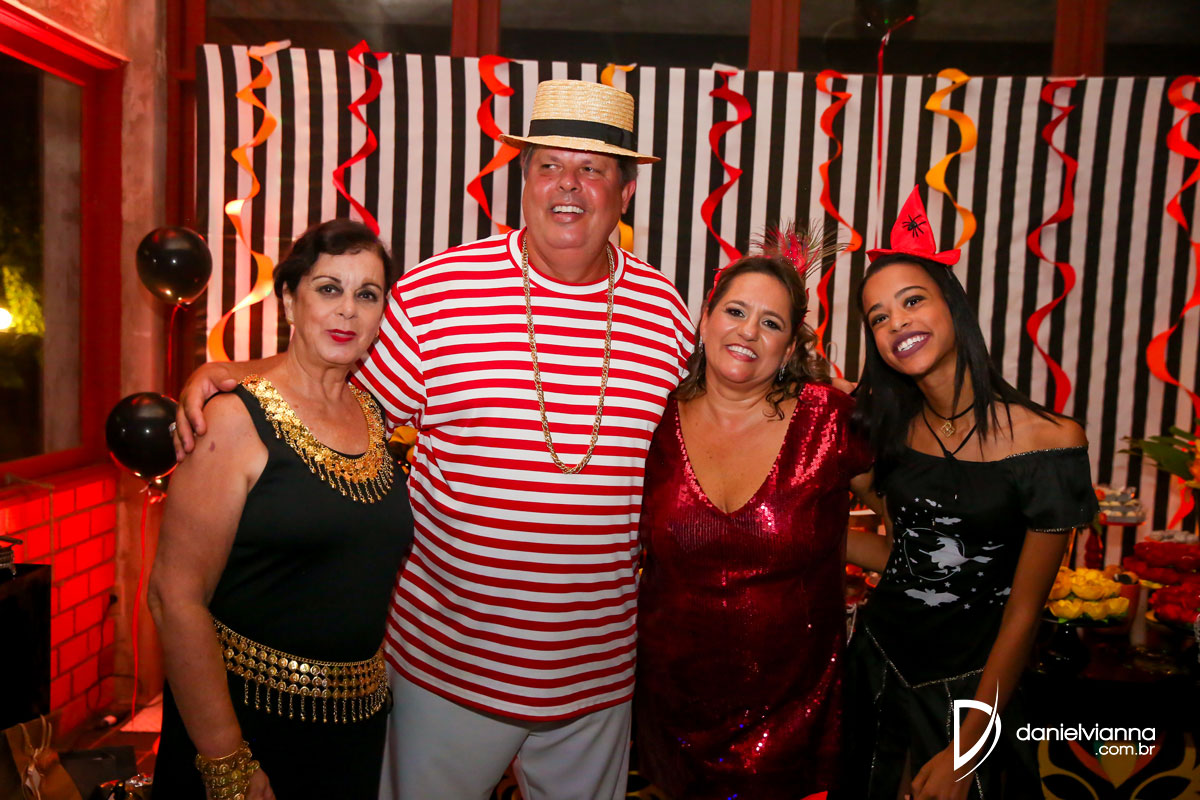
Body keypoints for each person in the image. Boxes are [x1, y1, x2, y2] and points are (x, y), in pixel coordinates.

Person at [171, 80, 692, 800]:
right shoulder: (438, 292)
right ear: (523, 181)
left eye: (593, 169)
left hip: (594, 677)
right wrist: (234, 373)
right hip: (447, 667)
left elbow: (702, 444)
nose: (568, 185)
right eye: (548, 164)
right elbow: (330, 390)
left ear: (625, 193)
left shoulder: (665, 312)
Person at [838, 188, 1099, 800]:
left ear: (952, 306)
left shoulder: (1050, 443)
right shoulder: (890, 432)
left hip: (973, 695)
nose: (897, 322)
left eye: (912, 301)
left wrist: (969, 749)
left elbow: (1024, 614)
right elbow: (909, 556)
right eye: (878, 317)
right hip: (874, 667)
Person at [148, 219, 411, 800]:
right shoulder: (231, 421)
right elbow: (174, 597)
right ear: (290, 300)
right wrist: (226, 759)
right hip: (247, 727)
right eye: (328, 288)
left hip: (352, 735)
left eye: (367, 295)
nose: (348, 310)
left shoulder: (375, 415)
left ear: (381, 316)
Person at [634, 230, 884, 799]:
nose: (748, 331)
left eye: (771, 323)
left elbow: (914, 529)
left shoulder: (830, 420)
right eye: (736, 311)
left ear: (790, 347)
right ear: (704, 320)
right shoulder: (651, 420)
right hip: (671, 713)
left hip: (796, 720)